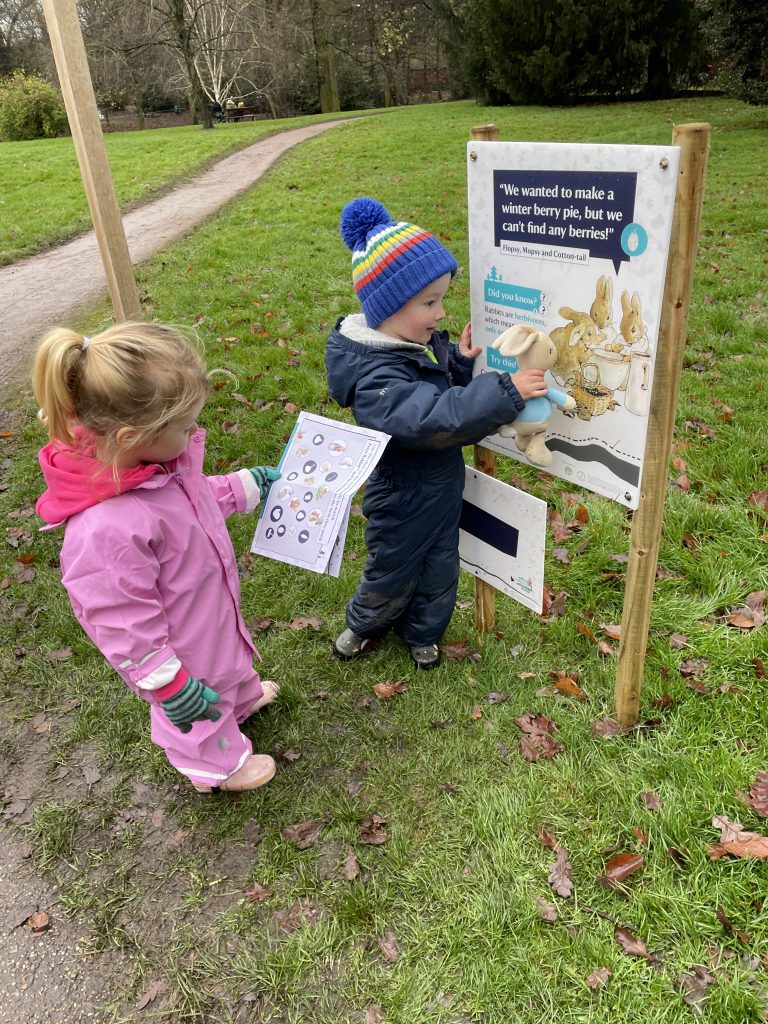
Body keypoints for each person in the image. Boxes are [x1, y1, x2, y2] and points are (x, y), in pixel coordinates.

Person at [33, 321, 282, 793]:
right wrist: (167, 683)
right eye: (185, 427)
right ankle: (215, 764)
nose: (194, 434)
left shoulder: (153, 465)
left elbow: (192, 499)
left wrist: (242, 487)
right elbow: (121, 620)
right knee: (197, 689)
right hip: (178, 642)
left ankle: (238, 700)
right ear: (131, 436)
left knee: (224, 658)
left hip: (203, 609)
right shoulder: (104, 528)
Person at [326, 197, 549, 670]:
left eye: (442, 299)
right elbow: (429, 418)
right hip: (400, 497)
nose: (440, 312)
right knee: (391, 568)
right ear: (386, 307)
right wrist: (503, 392)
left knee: (440, 568)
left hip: (443, 490)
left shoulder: (408, 347)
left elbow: (442, 397)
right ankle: (364, 623)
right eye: (429, 302)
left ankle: (424, 632)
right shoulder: (374, 378)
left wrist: (460, 367)